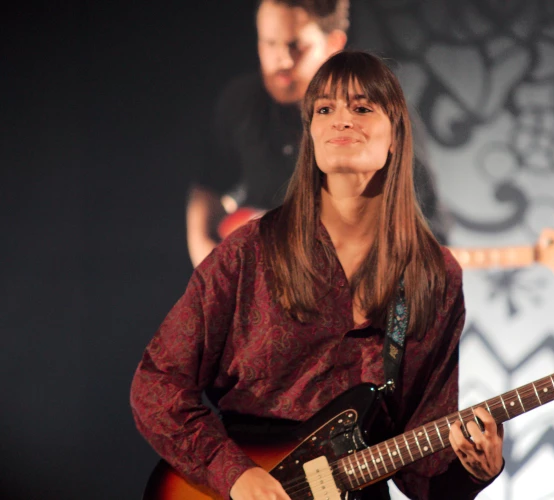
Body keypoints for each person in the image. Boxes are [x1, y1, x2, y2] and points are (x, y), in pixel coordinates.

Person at [131, 51, 504, 500]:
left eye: (362, 107)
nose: (341, 120)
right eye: (325, 109)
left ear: (396, 136)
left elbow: (421, 473)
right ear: (310, 134)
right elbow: (157, 386)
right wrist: (233, 473)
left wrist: (475, 470)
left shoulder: (433, 275)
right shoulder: (250, 251)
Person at [187, 0, 449, 268]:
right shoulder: (241, 101)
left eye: (296, 46)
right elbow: (210, 184)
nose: (282, 60)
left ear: (333, 44)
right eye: (269, 43)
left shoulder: (380, 112)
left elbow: (428, 230)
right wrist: (206, 257)